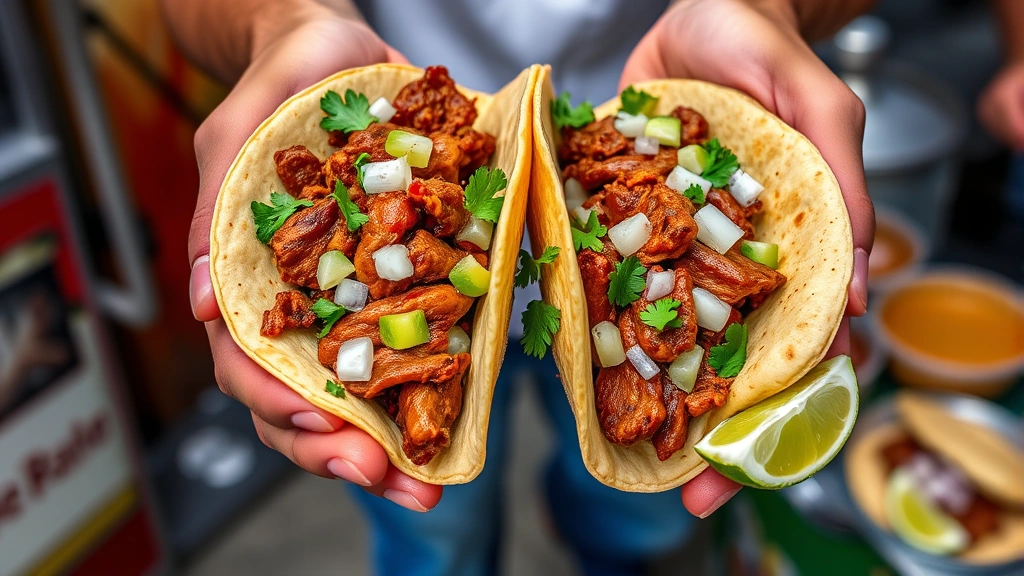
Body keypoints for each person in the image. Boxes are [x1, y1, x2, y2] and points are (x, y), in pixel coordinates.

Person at [166, 0, 875, 573]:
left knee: (638, 516)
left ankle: (604, 551)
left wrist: (769, 10)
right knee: (433, 533)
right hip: (403, 91)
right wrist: (281, 22)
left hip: (643, 101)